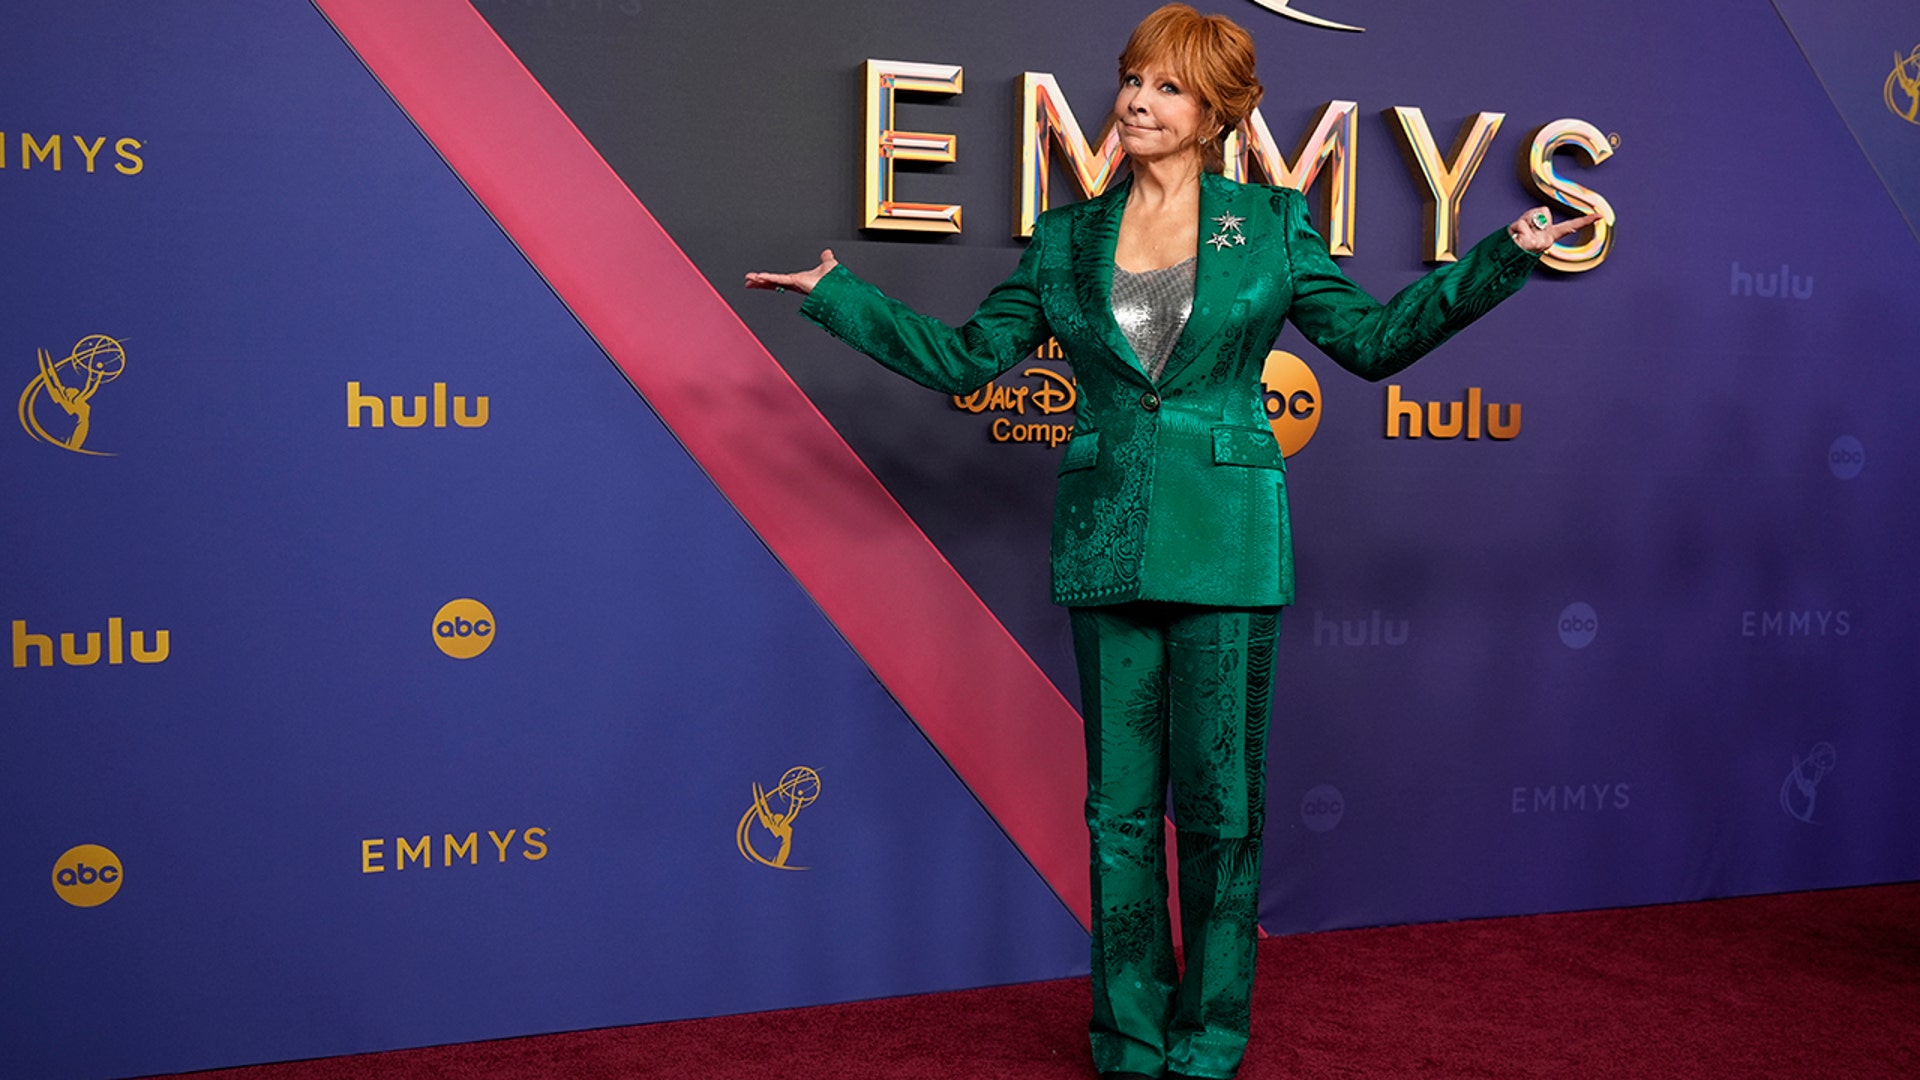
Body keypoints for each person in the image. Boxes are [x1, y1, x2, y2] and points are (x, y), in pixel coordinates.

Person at [747, 6, 1596, 1076]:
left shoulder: (1274, 225)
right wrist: (838, 299)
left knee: (1222, 812)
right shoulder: (1065, 239)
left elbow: (1375, 344)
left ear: (1217, 112)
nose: (1139, 103)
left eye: (1168, 88)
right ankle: (1127, 1041)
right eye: (1133, 80)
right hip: (1106, 540)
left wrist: (1500, 258)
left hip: (1230, 545)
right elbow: (969, 362)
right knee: (1117, 818)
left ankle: (1210, 1038)